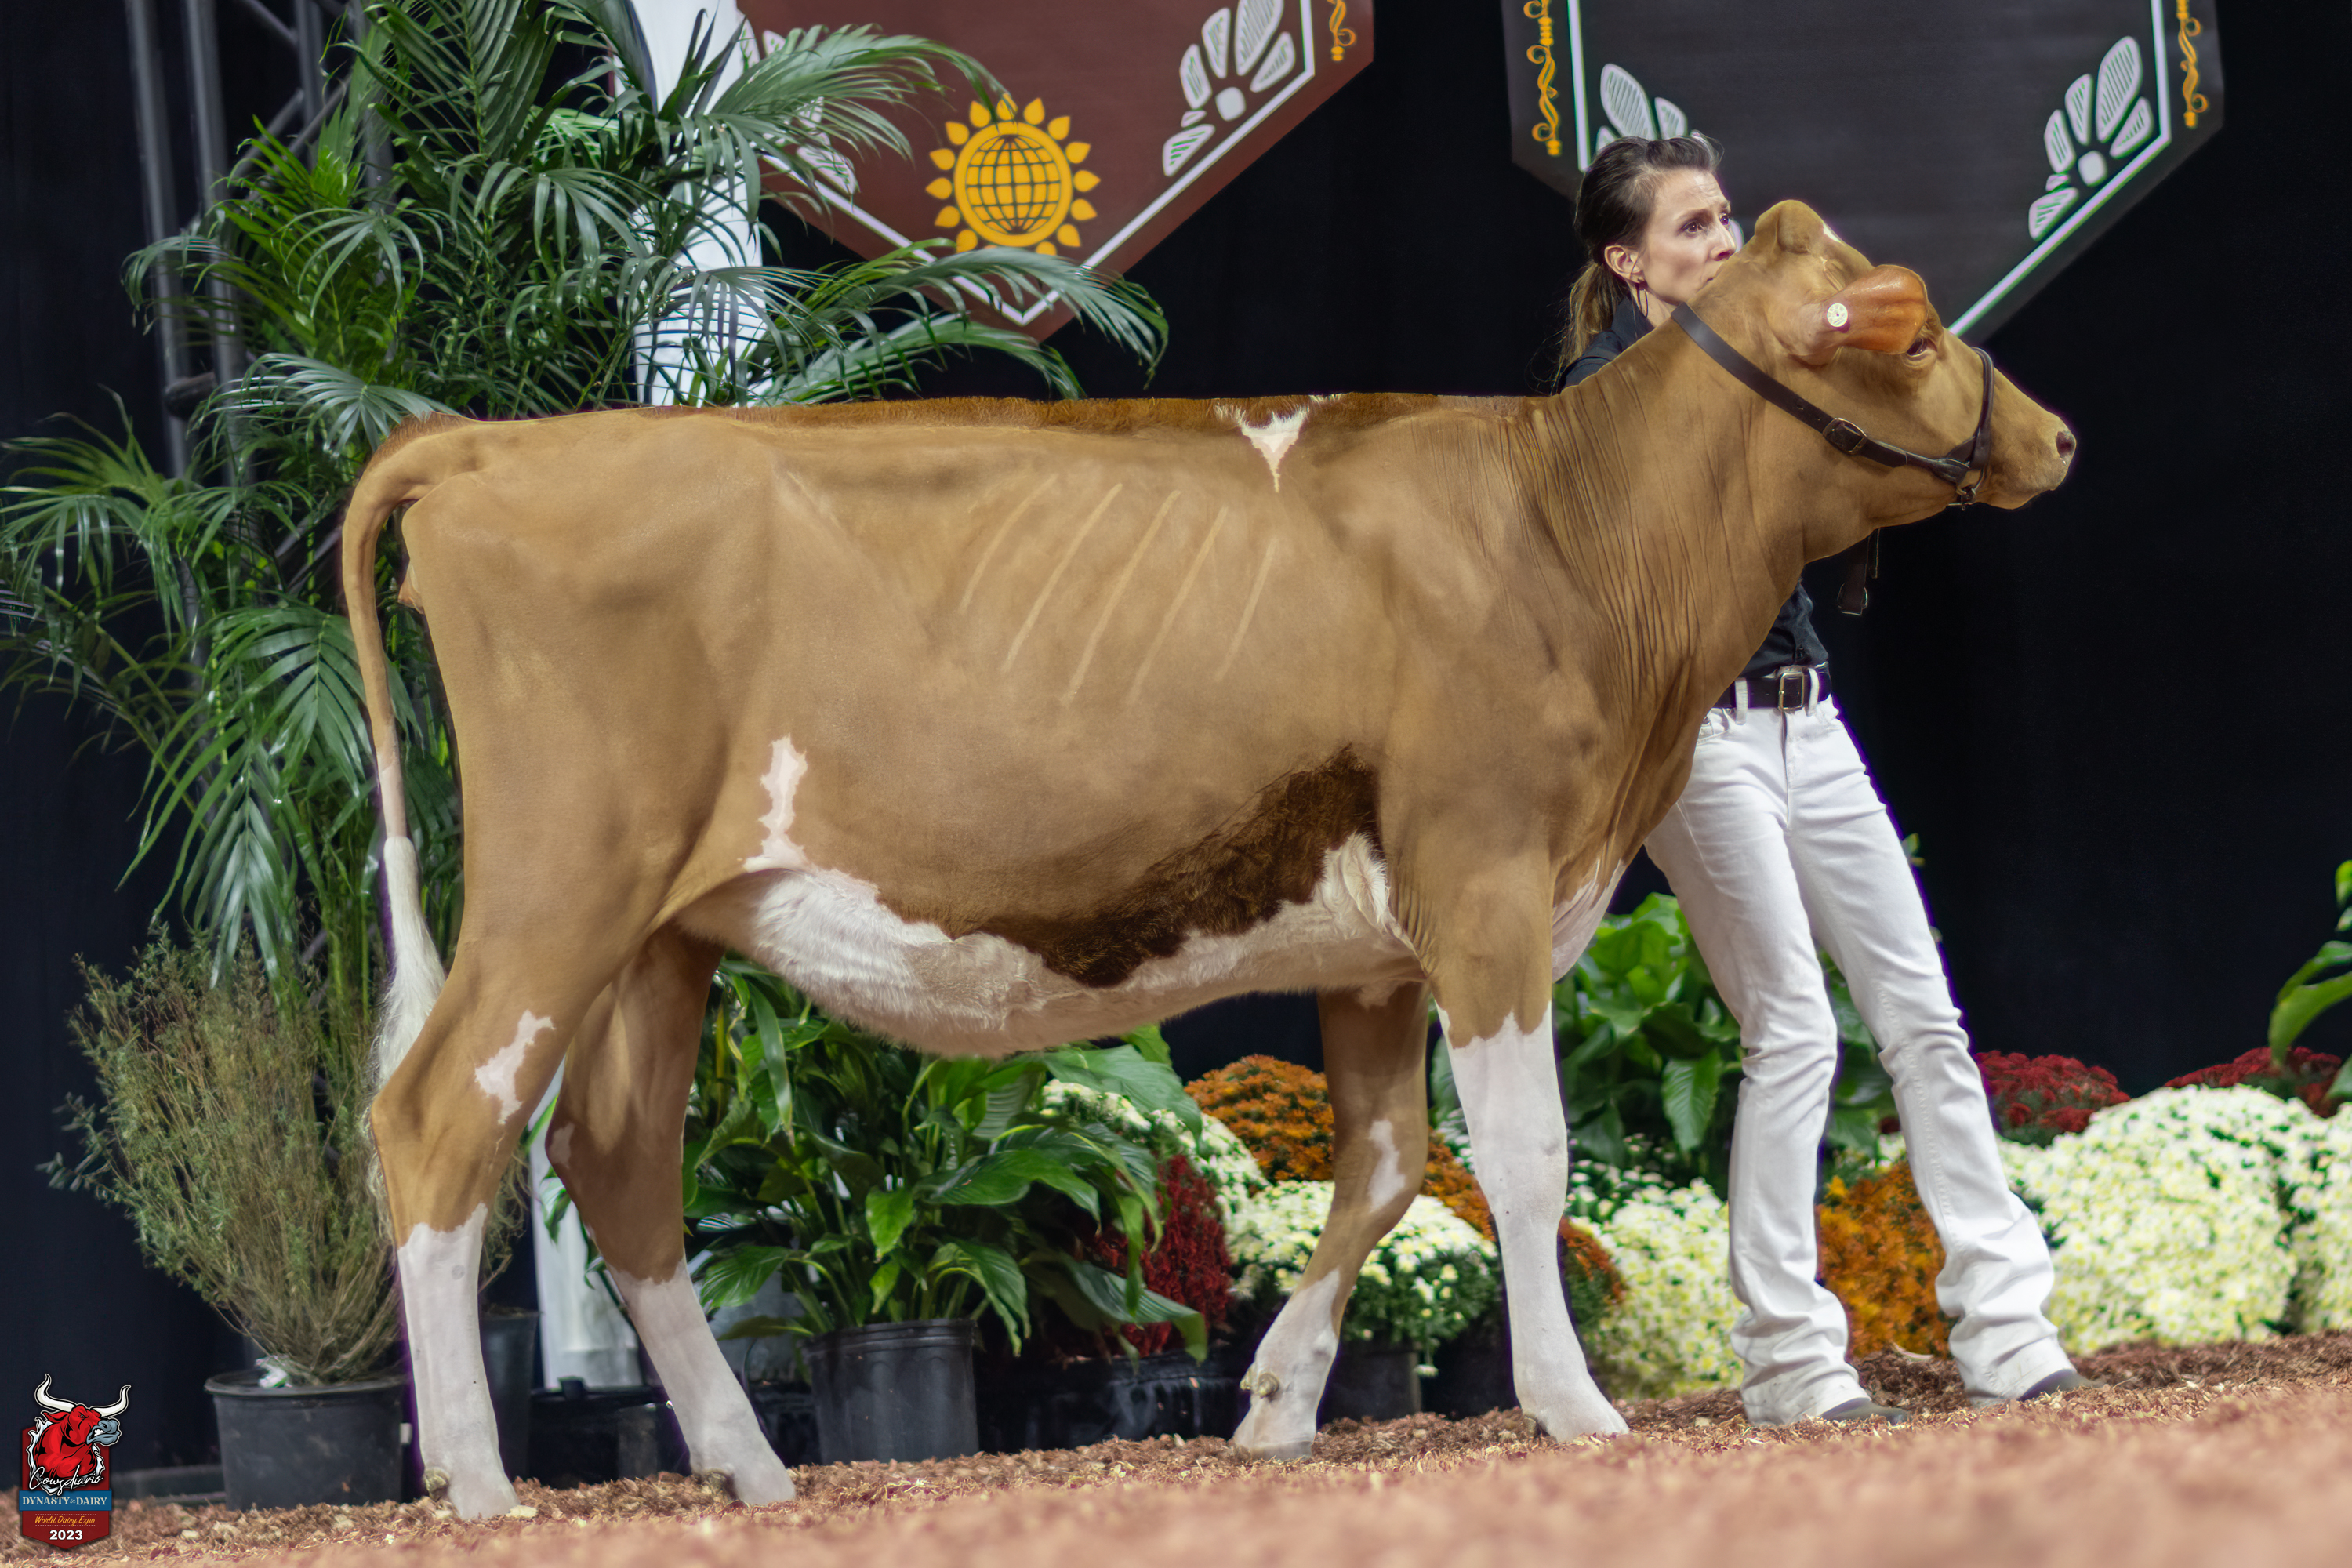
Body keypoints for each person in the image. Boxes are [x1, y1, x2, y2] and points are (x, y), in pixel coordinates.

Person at [1559, 136, 2089, 1425]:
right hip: (1695, 736)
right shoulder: (1602, 390)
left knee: (1923, 1015)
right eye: (1692, 228)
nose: (1724, 242)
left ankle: (2009, 1331)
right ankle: (1792, 1362)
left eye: (1725, 216)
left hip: (1811, 718)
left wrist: (1856, 327)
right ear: (1628, 262)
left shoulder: (1771, 355)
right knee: (1791, 1028)